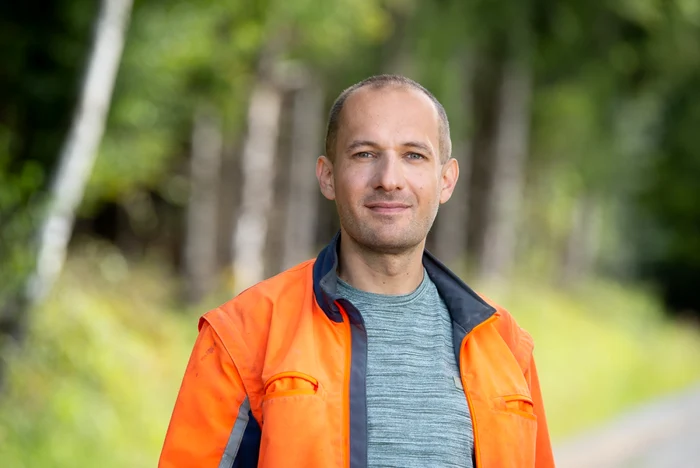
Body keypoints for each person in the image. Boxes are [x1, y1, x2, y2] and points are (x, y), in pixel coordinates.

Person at [159, 75, 554, 468]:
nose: (389, 180)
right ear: (327, 176)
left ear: (446, 180)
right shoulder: (243, 335)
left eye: (414, 155)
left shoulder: (504, 345)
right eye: (365, 154)